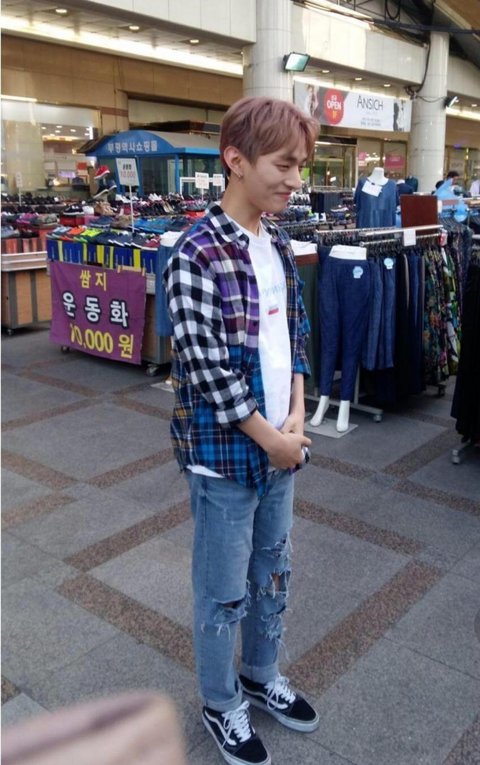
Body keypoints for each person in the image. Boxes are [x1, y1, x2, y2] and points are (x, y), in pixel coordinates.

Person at [164, 96, 320, 765]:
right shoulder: (195, 254)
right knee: (222, 592)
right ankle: (220, 699)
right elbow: (209, 372)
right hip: (226, 458)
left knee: (271, 574)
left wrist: (299, 413)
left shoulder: (276, 241)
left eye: (301, 166)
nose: (295, 180)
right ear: (236, 159)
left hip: (281, 445)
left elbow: (297, 335)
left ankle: (260, 674)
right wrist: (274, 438)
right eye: (284, 164)